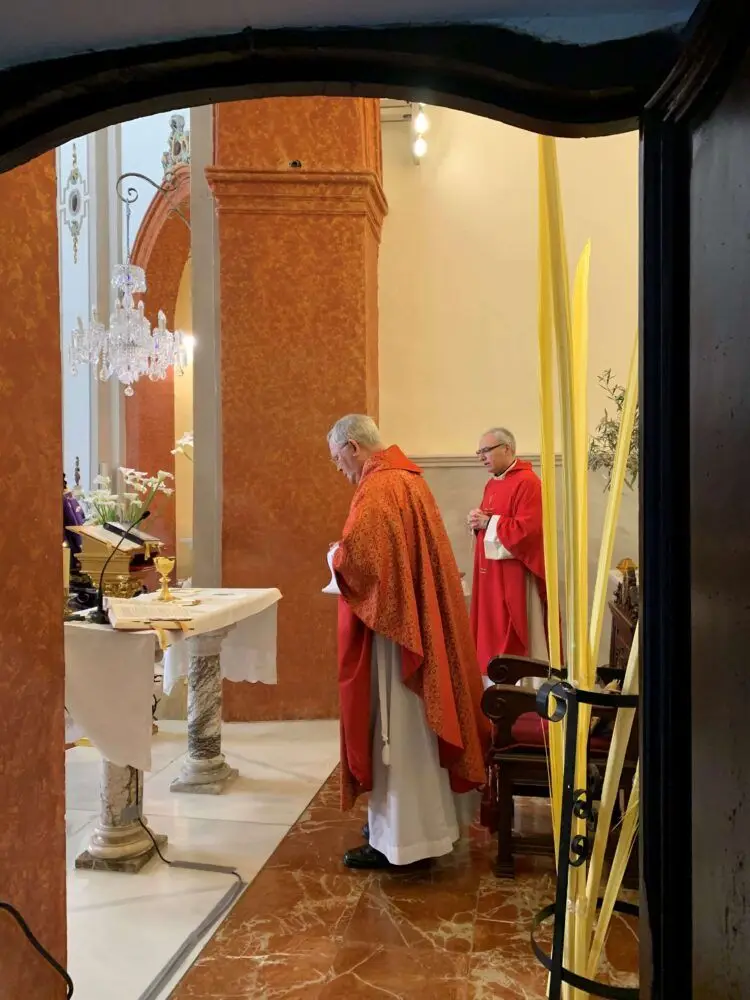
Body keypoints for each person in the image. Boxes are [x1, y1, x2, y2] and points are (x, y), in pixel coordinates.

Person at [326, 414, 489, 871]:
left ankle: (403, 840)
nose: (338, 467)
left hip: (396, 637)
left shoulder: (379, 487)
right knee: (416, 729)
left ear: (354, 446)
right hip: (414, 626)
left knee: (397, 730)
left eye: (338, 458)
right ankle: (424, 826)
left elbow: (362, 560)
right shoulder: (408, 478)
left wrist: (335, 556)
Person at [468, 427, 547, 687]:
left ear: (507, 449)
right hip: (491, 576)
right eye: (479, 452)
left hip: (516, 575)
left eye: (486, 450)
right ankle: (494, 687)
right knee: (491, 629)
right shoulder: (493, 483)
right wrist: (478, 522)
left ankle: (525, 689)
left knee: (515, 629)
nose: (481, 457)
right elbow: (492, 523)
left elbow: (528, 530)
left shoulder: (528, 483)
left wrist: (489, 522)